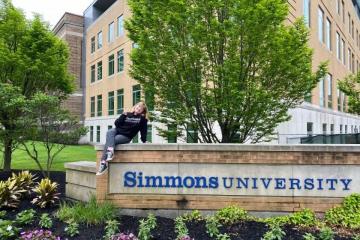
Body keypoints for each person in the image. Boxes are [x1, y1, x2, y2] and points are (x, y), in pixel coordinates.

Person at [96, 101, 149, 175]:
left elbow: (143, 130)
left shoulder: (142, 119)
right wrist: (123, 115)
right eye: (138, 106)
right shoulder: (127, 114)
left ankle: (103, 163)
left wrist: (144, 140)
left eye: (141, 108)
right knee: (109, 132)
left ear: (143, 111)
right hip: (117, 130)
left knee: (112, 140)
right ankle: (110, 153)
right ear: (134, 107)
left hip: (126, 136)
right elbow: (117, 123)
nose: (138, 108)